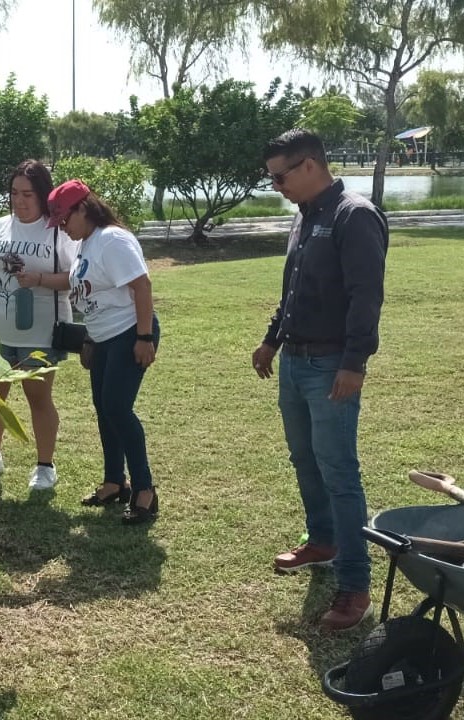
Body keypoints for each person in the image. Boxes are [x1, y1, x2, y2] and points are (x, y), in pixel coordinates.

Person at [255, 128, 388, 632]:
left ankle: (355, 585)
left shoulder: (355, 216)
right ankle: (324, 542)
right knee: (304, 457)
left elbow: (365, 297)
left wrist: (354, 363)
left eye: (280, 176)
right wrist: (272, 338)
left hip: (333, 365)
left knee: (339, 472)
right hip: (295, 361)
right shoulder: (306, 216)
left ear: (309, 165)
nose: (276, 186)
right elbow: (293, 289)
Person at [49, 179, 161, 524]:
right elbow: (91, 294)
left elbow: (141, 286)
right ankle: (115, 482)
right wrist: (89, 340)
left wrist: (144, 337)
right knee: (104, 409)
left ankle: (145, 489)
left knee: (117, 408)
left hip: (129, 333)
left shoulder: (112, 240)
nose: (63, 228)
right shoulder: (87, 242)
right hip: (103, 338)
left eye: (64, 220)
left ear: (83, 208)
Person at [0, 160, 78, 491]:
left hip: (41, 332)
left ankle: (45, 466)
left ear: (43, 194)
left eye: (27, 193)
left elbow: (75, 278)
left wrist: (39, 278)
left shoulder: (58, 230)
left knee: (38, 398)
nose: (20, 200)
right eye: (14, 193)